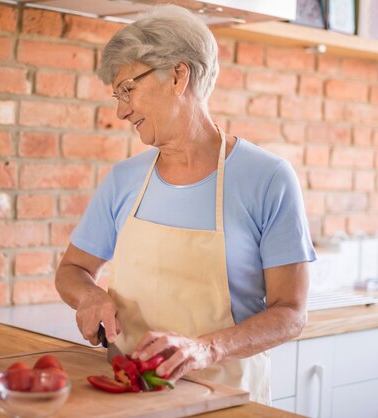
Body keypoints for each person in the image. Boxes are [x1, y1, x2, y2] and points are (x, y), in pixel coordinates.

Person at [55, 4, 316, 405]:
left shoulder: (268, 179)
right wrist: (90, 297)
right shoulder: (124, 180)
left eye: (128, 89)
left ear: (178, 76)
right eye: (117, 95)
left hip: (226, 398)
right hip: (129, 397)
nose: (121, 110)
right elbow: (72, 270)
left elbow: (291, 313)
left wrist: (204, 349)